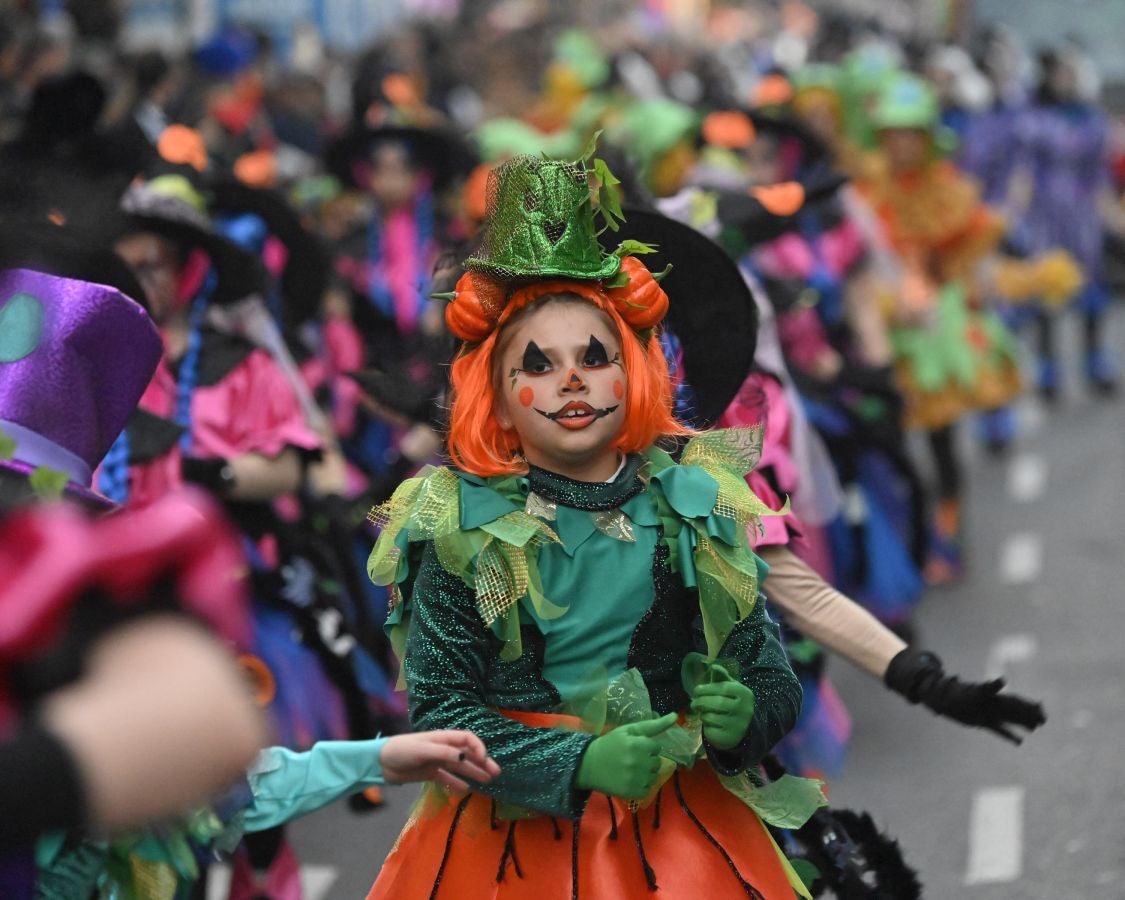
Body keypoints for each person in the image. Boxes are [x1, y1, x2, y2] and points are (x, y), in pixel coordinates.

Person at [366, 153, 813, 899]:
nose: (571, 379)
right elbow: (441, 713)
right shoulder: (461, 525)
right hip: (515, 852)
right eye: (537, 365)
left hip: (681, 835)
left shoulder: (690, 504)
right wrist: (577, 764)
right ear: (496, 395)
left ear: (632, 373)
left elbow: (764, 668)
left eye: (594, 357)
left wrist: (745, 716)